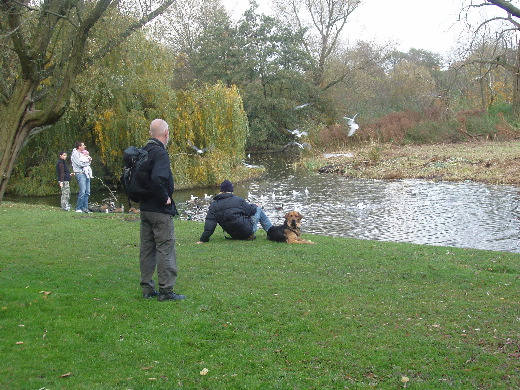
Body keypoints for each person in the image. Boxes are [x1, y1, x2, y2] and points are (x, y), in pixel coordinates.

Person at [139, 119, 185, 302]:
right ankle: (166, 291)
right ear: (166, 134)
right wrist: (165, 197)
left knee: (147, 248)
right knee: (165, 247)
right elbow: (158, 179)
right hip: (159, 210)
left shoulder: (143, 151)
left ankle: (147, 288)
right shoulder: (160, 153)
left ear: (151, 133)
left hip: (145, 208)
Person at [197, 180, 273, 243]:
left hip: (233, 234)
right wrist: (255, 205)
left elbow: (210, 224)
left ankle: (250, 235)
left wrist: (203, 240)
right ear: (231, 190)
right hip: (247, 231)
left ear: (221, 191)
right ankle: (272, 232)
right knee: (258, 209)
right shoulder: (238, 200)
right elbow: (251, 212)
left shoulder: (213, 205)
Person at [71, 141, 91, 213]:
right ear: (79, 147)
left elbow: (89, 161)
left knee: (87, 191)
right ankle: (78, 208)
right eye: (83, 145)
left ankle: (85, 208)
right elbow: (79, 164)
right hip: (80, 173)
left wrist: (88, 161)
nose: (84, 146)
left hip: (87, 173)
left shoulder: (83, 153)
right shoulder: (75, 154)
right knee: (82, 191)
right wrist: (86, 163)